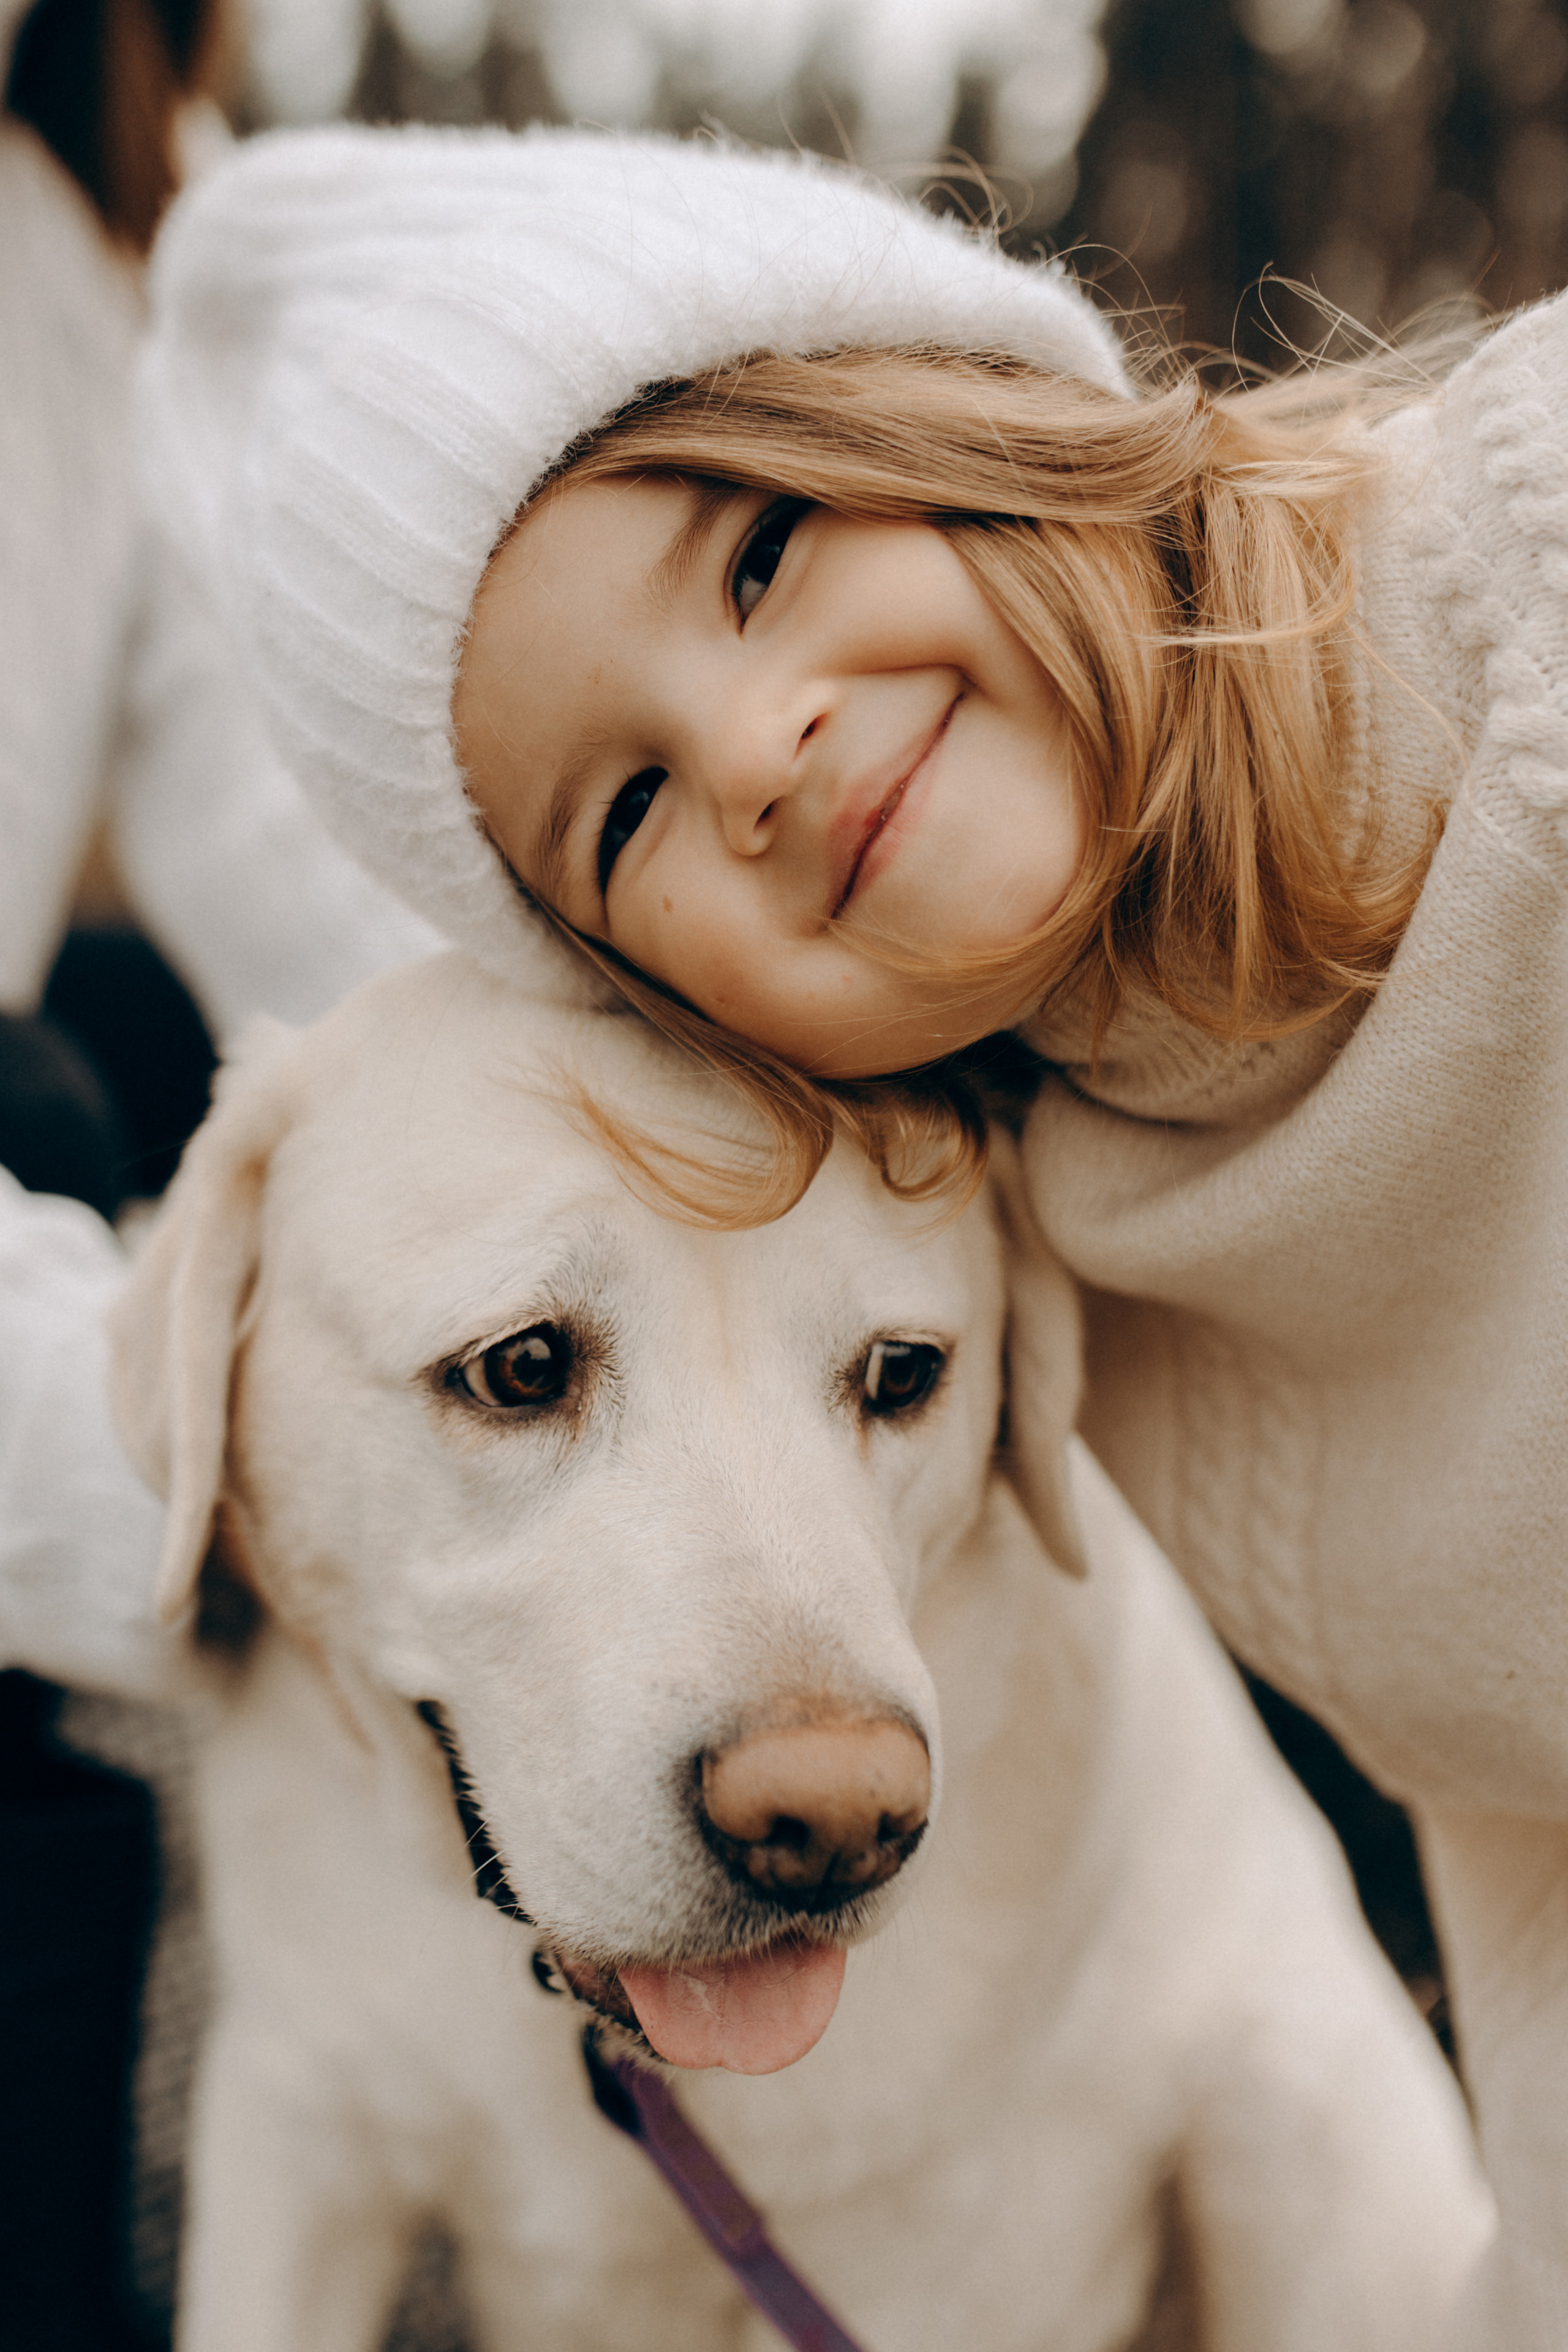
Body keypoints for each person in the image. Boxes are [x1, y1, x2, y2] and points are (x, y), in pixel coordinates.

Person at [139, 121, 1568, 2346]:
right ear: (657, 993)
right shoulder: (1036, 1191)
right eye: (620, 815)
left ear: (967, 413)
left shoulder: (1529, 554)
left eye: (760, 550)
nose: (757, 749)